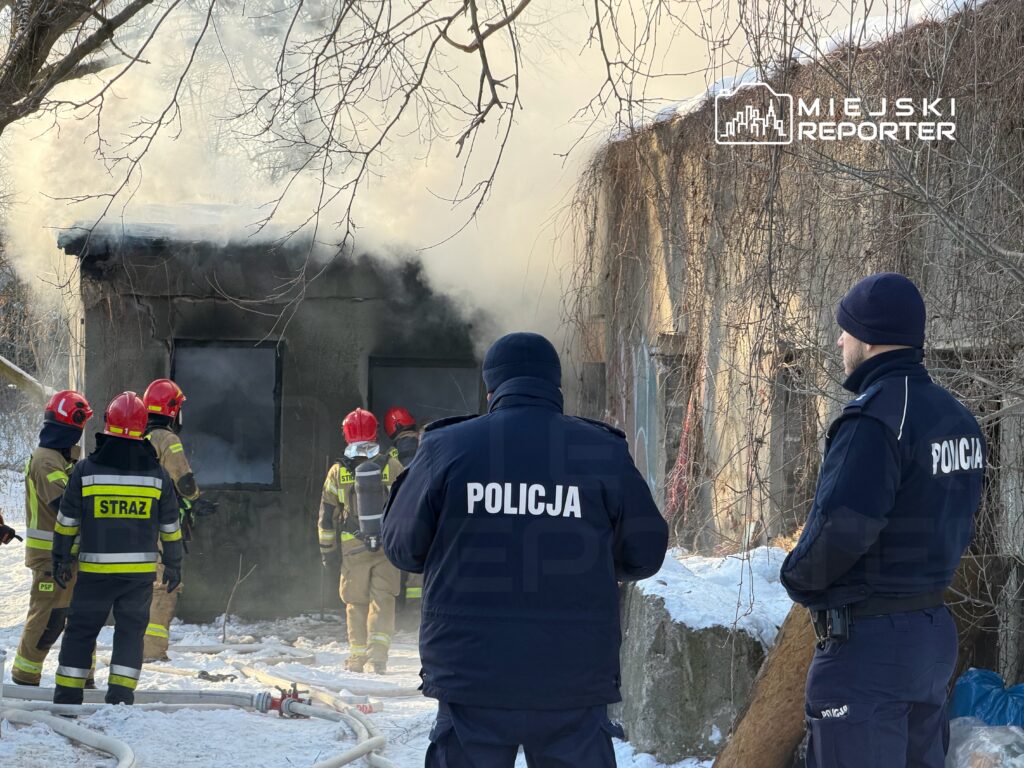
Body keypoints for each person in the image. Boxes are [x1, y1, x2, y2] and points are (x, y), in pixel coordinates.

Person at [381, 331, 669, 767]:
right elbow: (645, 552)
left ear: (491, 388)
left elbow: (402, 548)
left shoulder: (447, 447)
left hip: (470, 677)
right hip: (572, 679)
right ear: (556, 386)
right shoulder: (600, 452)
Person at [780, 273, 986, 768]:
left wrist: (796, 577)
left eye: (845, 330)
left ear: (869, 337)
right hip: (931, 635)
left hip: (871, 648)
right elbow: (962, 517)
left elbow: (842, 528)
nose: (840, 340)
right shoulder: (957, 418)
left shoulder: (875, 419)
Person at [53, 392, 183, 705]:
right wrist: (175, 565)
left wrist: (60, 559)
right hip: (137, 576)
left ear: (108, 425)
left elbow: (66, 522)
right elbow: (170, 528)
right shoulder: (157, 476)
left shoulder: (85, 471)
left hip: (95, 573)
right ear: (142, 430)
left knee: (81, 632)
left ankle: (68, 696)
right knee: (129, 634)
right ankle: (121, 698)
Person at [12, 390, 94, 687]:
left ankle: (84, 678)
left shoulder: (61, 457)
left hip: (69, 553)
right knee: (50, 617)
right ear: (70, 425)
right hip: (50, 556)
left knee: (81, 616)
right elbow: (66, 505)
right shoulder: (46, 460)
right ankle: (25, 675)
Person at [318, 408, 403, 674]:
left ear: (346, 434)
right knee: (383, 599)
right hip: (387, 545)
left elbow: (326, 516)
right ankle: (377, 658)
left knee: (355, 602)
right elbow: (407, 505)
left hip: (352, 546)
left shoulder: (337, 471)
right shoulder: (392, 465)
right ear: (375, 431)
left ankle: (356, 657)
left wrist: (327, 552)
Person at [141, 378, 203, 661]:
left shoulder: (135, 436)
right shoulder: (168, 439)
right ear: (172, 409)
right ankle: (152, 651)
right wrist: (196, 501)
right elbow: (185, 483)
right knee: (164, 586)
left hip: (133, 522)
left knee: (140, 586)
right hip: (159, 526)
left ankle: (136, 645)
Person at [383, 406, 423, 620]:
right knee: (420, 562)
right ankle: (416, 611)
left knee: (400, 562)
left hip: (402, 512)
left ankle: (398, 609)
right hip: (426, 511)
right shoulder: (427, 442)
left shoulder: (392, 456)